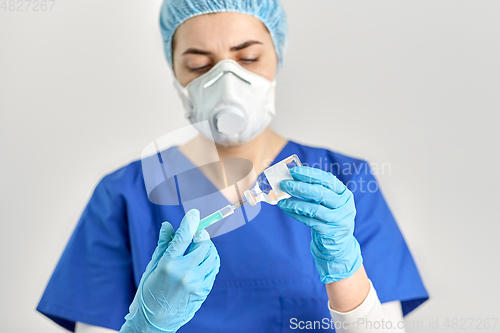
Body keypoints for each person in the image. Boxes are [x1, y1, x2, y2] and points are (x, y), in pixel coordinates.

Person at [37, 1, 429, 332]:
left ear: (277, 55)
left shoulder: (343, 182)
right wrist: (146, 324)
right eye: (198, 65)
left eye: (248, 58)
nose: (227, 82)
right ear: (175, 72)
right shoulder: (125, 194)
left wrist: (345, 269)